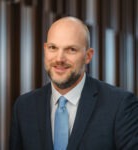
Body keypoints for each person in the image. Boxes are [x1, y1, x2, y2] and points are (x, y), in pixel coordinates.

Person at [9, 16, 138, 150]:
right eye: (53, 47)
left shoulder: (120, 105)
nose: (59, 59)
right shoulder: (24, 107)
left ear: (88, 56)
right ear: (45, 49)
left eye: (71, 49)